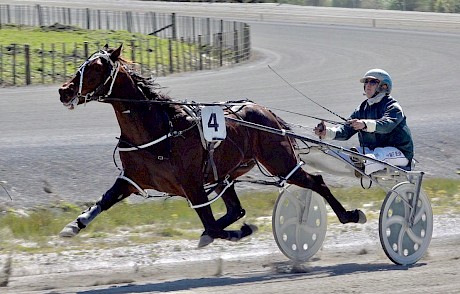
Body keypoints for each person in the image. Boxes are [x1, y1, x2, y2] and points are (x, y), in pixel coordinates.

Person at [314, 68, 414, 175]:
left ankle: (361, 166)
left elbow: (387, 125)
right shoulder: (362, 108)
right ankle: (357, 165)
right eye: (366, 82)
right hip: (372, 152)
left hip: (400, 153)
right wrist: (326, 132)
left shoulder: (392, 106)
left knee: (376, 155)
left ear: (384, 86)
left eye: (373, 82)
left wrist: (365, 124)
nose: (368, 85)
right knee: (342, 153)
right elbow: (346, 130)